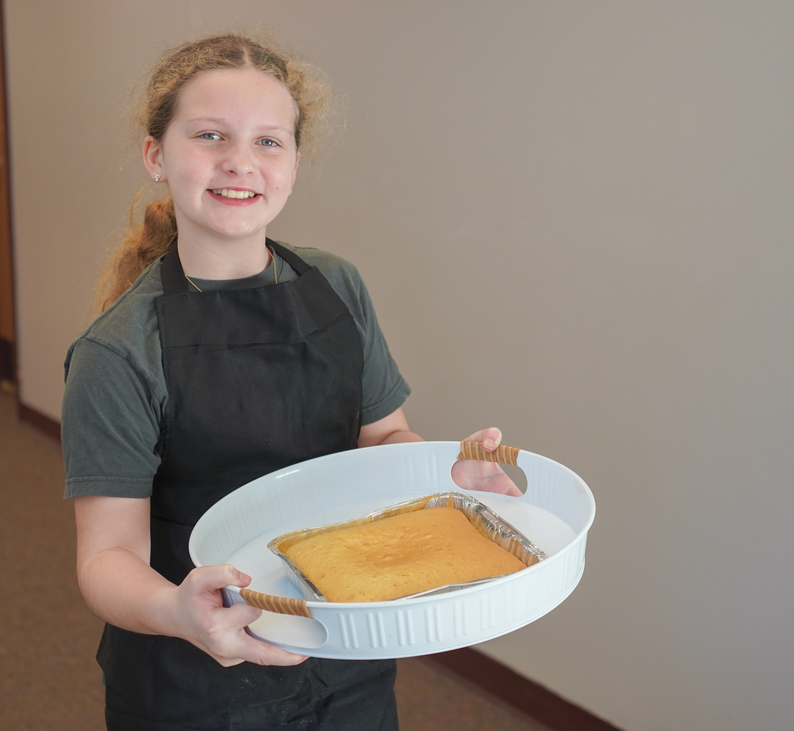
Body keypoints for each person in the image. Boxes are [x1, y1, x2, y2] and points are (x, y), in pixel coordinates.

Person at [61, 32, 518, 730]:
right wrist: (176, 610)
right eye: (209, 135)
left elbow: (383, 438)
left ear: (294, 165)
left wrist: (442, 471)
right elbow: (107, 556)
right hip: (194, 676)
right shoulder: (117, 351)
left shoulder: (335, 286)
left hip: (345, 647)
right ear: (156, 155)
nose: (240, 161)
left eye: (269, 141)